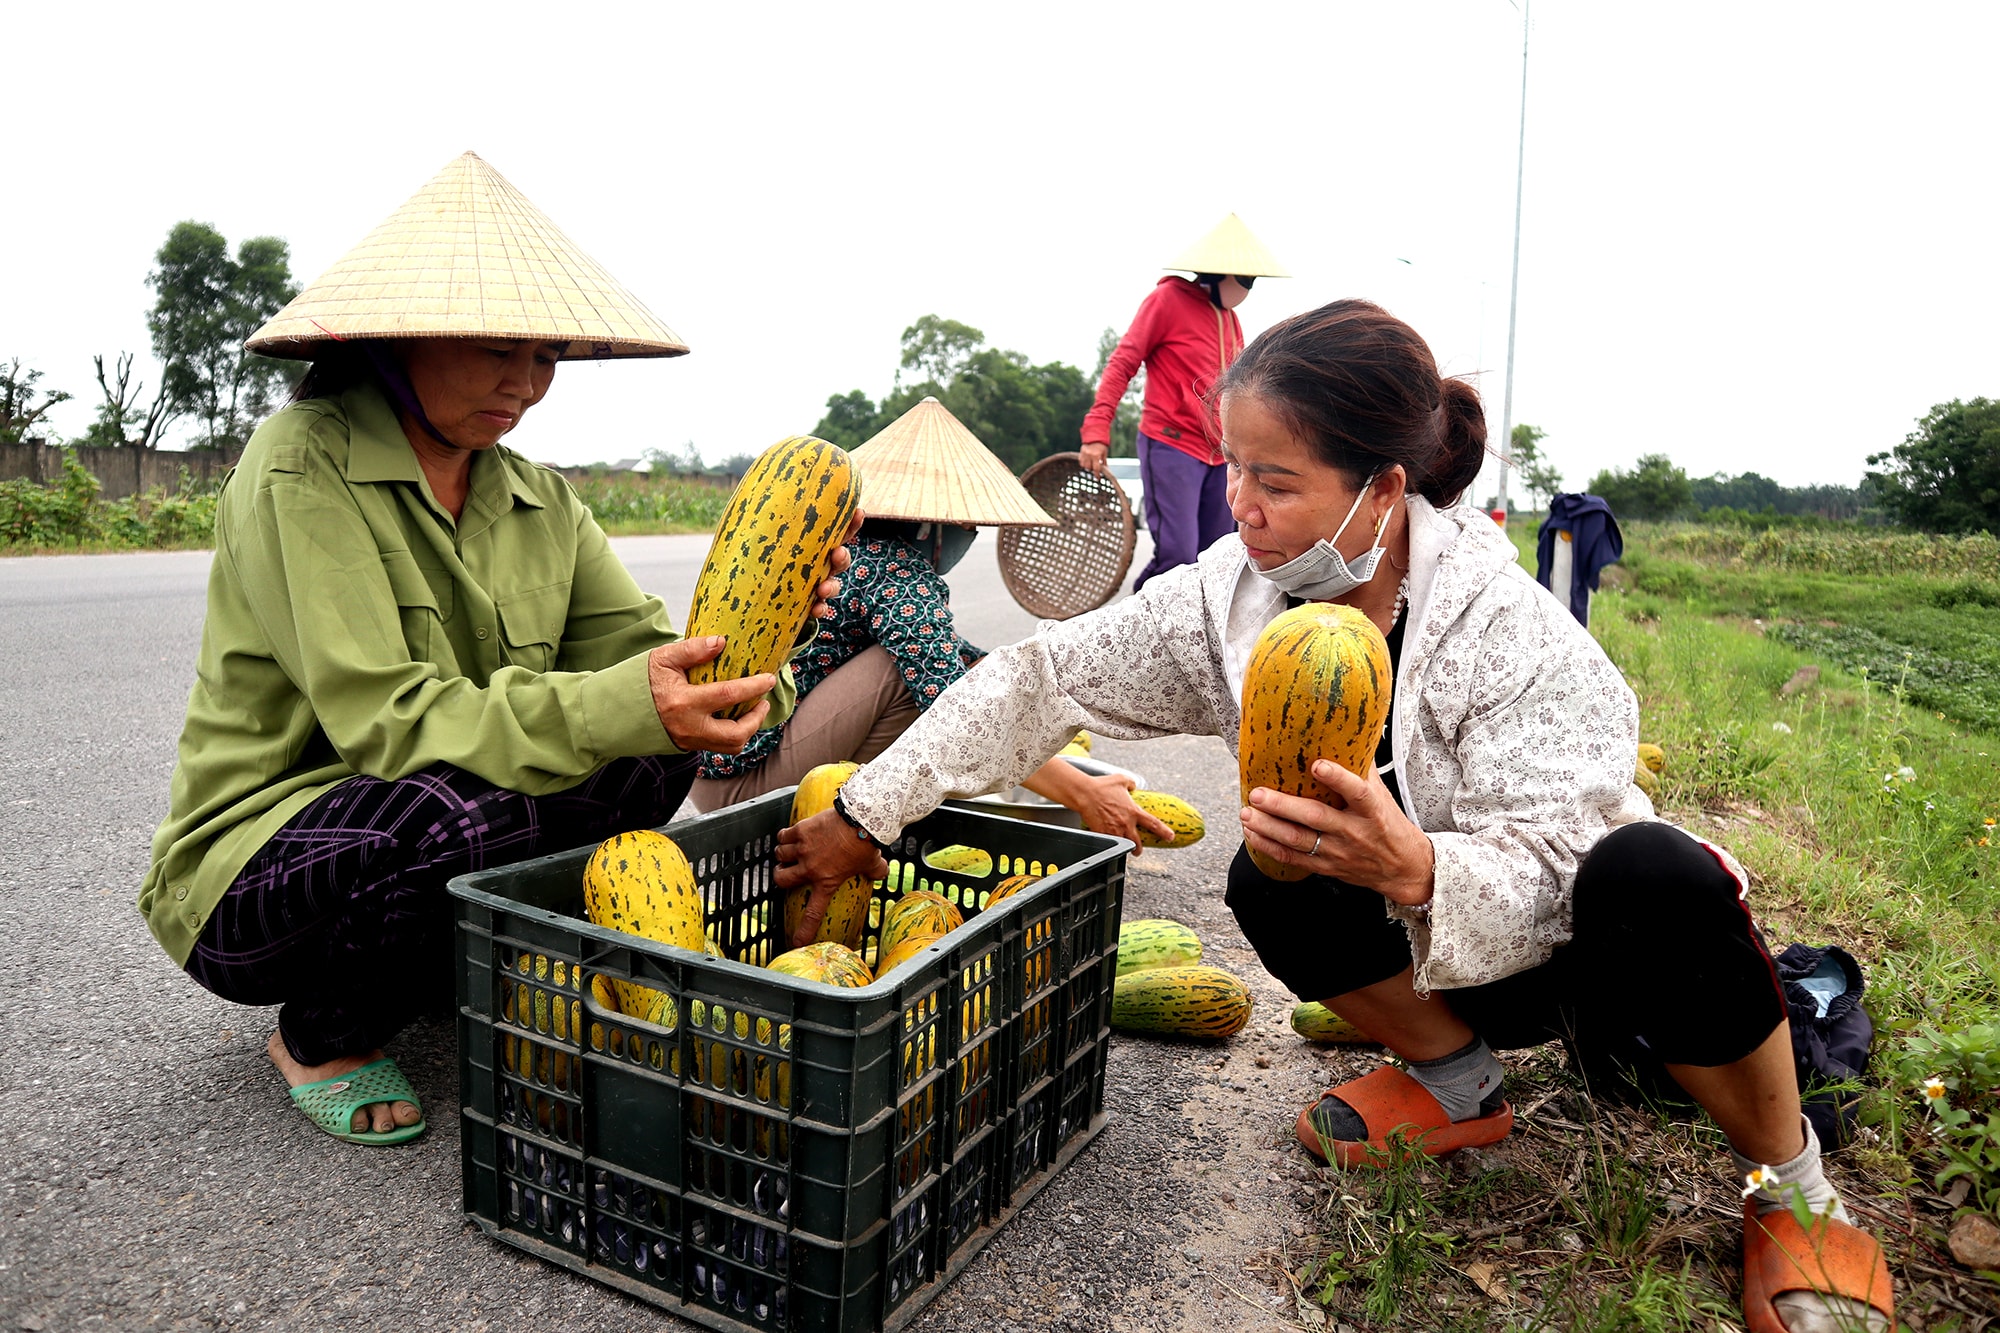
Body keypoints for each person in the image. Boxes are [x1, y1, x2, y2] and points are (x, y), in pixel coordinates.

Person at [778, 300, 1894, 1333]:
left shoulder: (1508, 630)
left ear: (1381, 485)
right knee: (1268, 875)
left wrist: (1421, 867)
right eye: (1231, 471)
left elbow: (1569, 851)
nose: (1242, 508)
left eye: (1277, 480)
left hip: (1575, 955)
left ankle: (1794, 1193)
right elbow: (1034, 678)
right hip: (1427, 970)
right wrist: (866, 816)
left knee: (1655, 869)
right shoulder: (1231, 595)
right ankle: (1460, 1088)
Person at [137, 152, 851, 1148]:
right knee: (447, 806)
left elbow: (657, 671)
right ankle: (320, 1035)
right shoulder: (299, 464)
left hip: (441, 814)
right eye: (496, 350)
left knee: (652, 751)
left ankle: (433, 960)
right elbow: (387, 724)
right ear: (403, 338)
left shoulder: (538, 498)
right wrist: (623, 702)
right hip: (258, 868)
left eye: (544, 355)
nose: (525, 384)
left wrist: (759, 648)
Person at [691, 396, 1173, 849]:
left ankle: (867, 814)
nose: (970, 537)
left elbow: (964, 660)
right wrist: (1084, 792)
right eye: (967, 529)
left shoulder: (856, 551)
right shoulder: (898, 571)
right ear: (930, 527)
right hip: (741, 787)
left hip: (711, 766)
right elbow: (962, 707)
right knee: (920, 690)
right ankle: (850, 823)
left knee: (953, 677)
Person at [1079, 213, 1288, 591]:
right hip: (1171, 443)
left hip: (1219, 455)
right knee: (1178, 556)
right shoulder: (1167, 300)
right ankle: (1132, 628)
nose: (1248, 288)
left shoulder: (1231, 319)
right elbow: (1123, 362)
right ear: (1217, 273)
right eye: (1245, 280)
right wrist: (1096, 430)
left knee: (1218, 559)